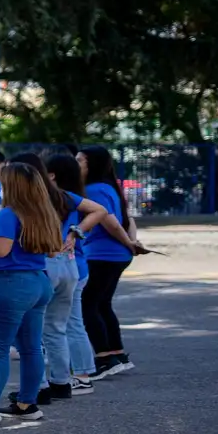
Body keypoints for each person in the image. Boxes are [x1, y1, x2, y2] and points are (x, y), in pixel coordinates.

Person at [14, 153, 118, 401]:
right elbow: (100, 211)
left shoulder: (29, 198)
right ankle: (63, 381)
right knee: (59, 327)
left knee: (33, 331)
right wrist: (76, 232)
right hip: (68, 265)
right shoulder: (61, 195)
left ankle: (39, 387)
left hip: (44, 263)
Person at [0, 163, 63, 425]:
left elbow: (0, 251)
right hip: (39, 280)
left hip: (11, 283)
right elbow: (54, 251)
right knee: (32, 348)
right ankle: (26, 402)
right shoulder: (46, 213)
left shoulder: (9, 214)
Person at [78, 146, 142, 378]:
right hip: (111, 255)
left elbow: (112, 222)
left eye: (80, 161)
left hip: (102, 254)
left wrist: (129, 243)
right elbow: (128, 218)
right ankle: (117, 353)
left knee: (87, 305)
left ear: (91, 165)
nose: (77, 165)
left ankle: (105, 358)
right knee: (102, 303)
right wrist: (130, 243)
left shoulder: (94, 190)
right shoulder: (107, 187)